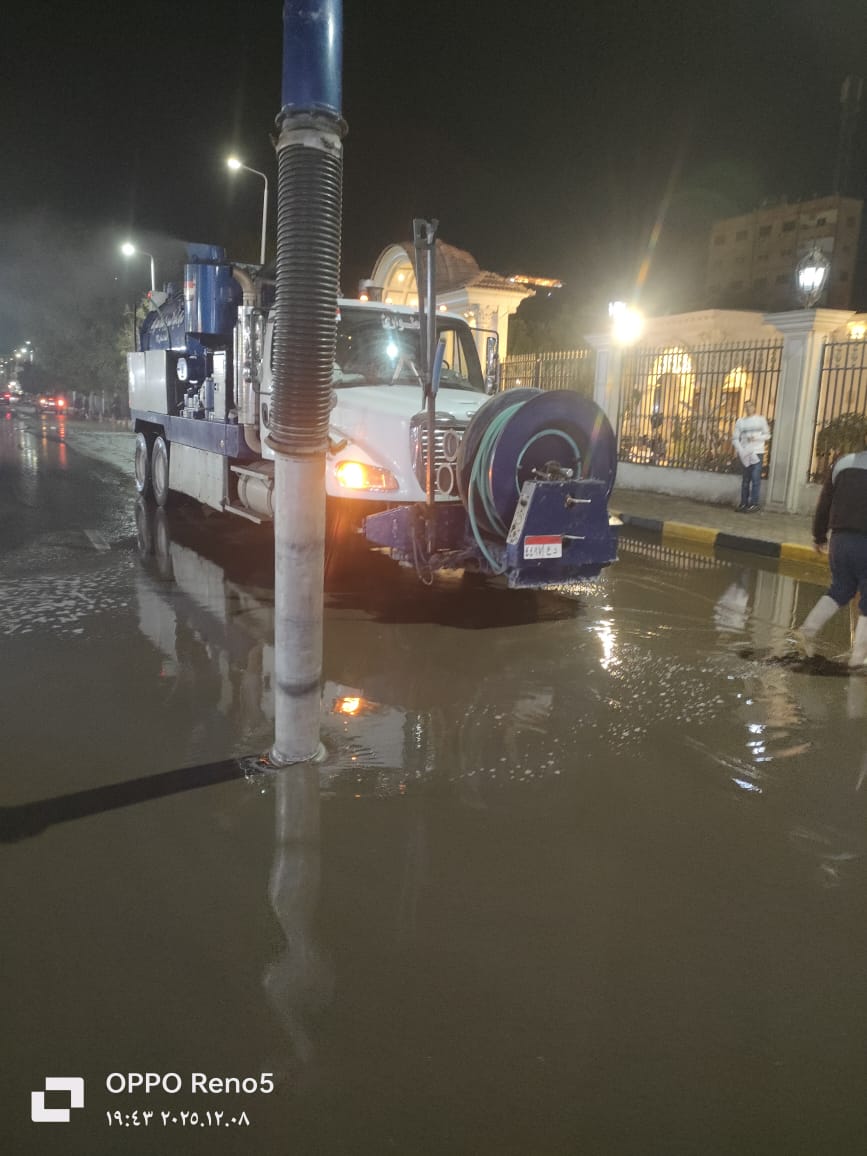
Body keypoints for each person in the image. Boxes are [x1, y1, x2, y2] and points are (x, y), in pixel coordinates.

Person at [794, 439, 867, 665]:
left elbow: (824, 503)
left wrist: (819, 536)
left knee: (840, 589)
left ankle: (807, 630)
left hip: (840, 540)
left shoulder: (842, 463)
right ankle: (858, 658)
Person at [732, 399, 771, 511]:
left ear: (754, 407)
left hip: (757, 452)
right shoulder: (740, 422)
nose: (748, 408)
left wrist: (756, 438)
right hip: (746, 453)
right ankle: (743, 503)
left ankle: (754, 503)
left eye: (750, 406)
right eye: (746, 406)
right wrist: (741, 450)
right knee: (746, 479)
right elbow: (735, 438)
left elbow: (768, 435)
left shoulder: (761, 420)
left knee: (755, 478)